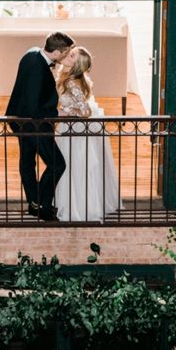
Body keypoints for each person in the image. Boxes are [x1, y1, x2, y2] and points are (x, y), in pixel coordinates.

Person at [5, 31, 74, 221]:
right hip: (33, 123)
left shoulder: (32, 53)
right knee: (57, 164)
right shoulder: (38, 67)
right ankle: (42, 205)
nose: (67, 55)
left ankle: (34, 204)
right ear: (57, 52)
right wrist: (57, 113)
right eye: (66, 52)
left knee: (27, 163)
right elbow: (34, 107)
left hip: (19, 119)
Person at [54, 46, 122, 222]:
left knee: (74, 166)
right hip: (69, 128)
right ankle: (76, 203)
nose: (69, 53)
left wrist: (64, 112)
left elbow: (85, 111)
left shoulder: (71, 82)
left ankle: (79, 207)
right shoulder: (70, 78)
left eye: (73, 54)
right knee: (72, 166)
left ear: (76, 64)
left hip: (73, 130)